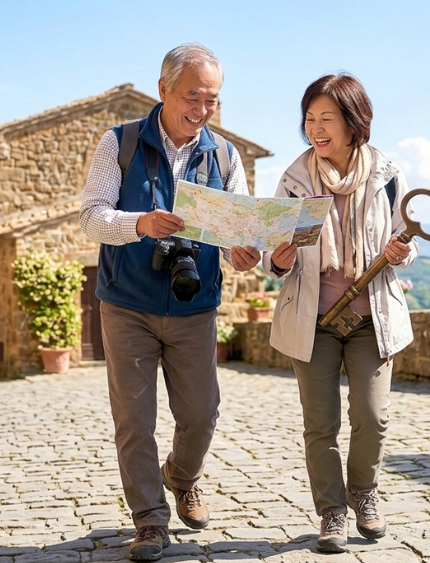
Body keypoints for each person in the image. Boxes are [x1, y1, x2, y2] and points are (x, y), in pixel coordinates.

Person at [80, 43, 260, 561]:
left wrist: (243, 253)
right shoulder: (119, 144)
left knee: (202, 413)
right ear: (163, 90)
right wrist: (139, 224)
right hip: (126, 304)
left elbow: (236, 236)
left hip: (194, 304)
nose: (203, 110)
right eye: (193, 96)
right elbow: (91, 216)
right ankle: (150, 522)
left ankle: (182, 477)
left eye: (212, 99)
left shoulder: (225, 156)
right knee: (135, 419)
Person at [262, 73, 418, 553]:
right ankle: (332, 514)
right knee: (320, 423)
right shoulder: (294, 180)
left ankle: (364, 494)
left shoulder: (387, 174)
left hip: (372, 316)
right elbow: (272, 258)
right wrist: (281, 256)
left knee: (372, 417)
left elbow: (406, 238)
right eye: (310, 119)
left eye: (327, 118)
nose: (316, 128)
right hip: (314, 322)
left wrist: (399, 253)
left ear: (354, 123)